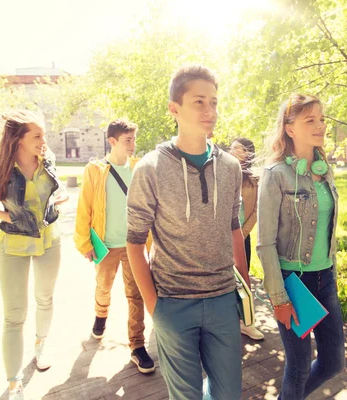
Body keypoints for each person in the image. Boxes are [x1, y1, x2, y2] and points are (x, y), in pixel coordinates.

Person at [126, 65, 250, 399]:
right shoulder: (150, 168)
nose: (210, 111)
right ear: (174, 108)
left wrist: (244, 278)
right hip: (172, 302)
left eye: (214, 102)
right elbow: (135, 243)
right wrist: (155, 308)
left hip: (223, 299)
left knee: (228, 395)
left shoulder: (231, 167)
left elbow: (233, 225)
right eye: (199, 102)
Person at [0, 110, 67, 400]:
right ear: (18, 139)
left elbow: (56, 193)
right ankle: (14, 383)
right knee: (14, 315)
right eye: (37, 135)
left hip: (50, 238)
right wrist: (2, 214)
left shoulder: (48, 162)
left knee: (45, 298)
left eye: (43, 134)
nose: (43, 140)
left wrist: (61, 199)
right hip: (14, 243)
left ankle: (40, 346)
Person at [256, 94, 345, 399]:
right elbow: (264, 243)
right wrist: (279, 298)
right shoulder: (275, 175)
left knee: (334, 362)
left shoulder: (324, 170)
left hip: (325, 278)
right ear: (290, 128)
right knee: (299, 367)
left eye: (322, 119)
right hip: (294, 282)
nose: (320, 125)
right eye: (310, 120)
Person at [73, 119, 155, 374]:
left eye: (134, 139)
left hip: (135, 245)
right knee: (104, 287)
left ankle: (137, 346)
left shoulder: (140, 167)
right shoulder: (96, 170)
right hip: (106, 245)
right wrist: (85, 243)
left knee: (136, 295)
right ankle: (100, 315)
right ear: (113, 141)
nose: (133, 145)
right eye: (127, 140)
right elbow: (84, 207)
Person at [229, 137, 265, 341]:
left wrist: (242, 233)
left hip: (242, 236)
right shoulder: (223, 172)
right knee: (223, 280)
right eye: (232, 148)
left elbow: (257, 210)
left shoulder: (254, 179)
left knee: (243, 279)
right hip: (221, 236)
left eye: (238, 149)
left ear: (248, 153)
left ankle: (246, 322)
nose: (233, 151)